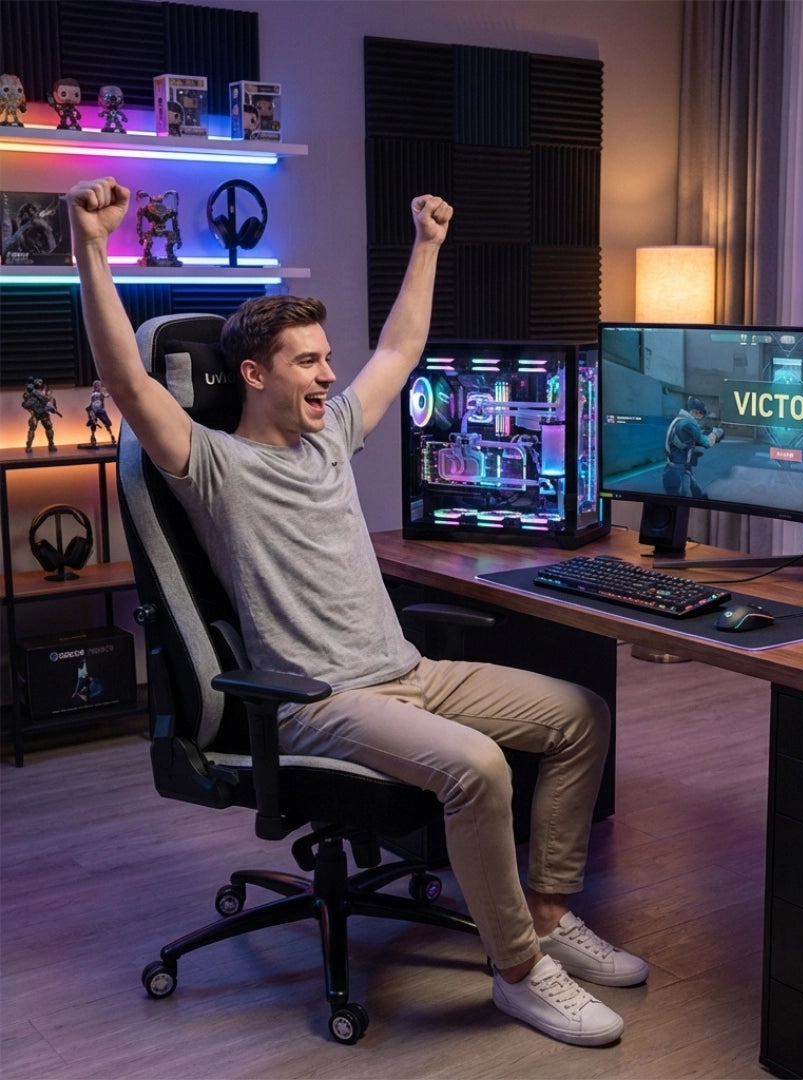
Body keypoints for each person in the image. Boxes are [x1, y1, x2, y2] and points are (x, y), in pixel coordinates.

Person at [66, 176, 648, 1047]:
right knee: (478, 769)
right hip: (321, 703)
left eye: (328, 359)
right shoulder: (212, 465)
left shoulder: (332, 433)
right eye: (309, 362)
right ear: (255, 374)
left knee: (579, 716)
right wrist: (89, 246)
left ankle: (549, 914)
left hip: (411, 673)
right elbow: (124, 377)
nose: (331, 374)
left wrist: (428, 244)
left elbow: (399, 352)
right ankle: (520, 973)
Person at [662, 395, 721, 497]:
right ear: (696, 412)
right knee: (677, 496)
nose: (701, 418)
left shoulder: (679, 420)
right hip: (677, 468)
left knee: (692, 485)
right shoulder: (689, 424)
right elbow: (707, 443)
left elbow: (687, 437)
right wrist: (716, 433)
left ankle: (700, 498)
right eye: (701, 414)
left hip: (676, 465)